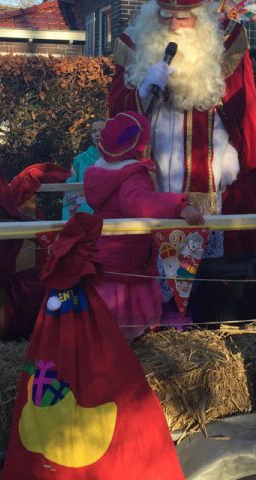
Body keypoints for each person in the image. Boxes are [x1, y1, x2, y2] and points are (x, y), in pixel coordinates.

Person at [108, 0, 256, 255]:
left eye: (184, 16)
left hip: (208, 176)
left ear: (202, 10)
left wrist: (232, 155)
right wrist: (143, 92)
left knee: (206, 265)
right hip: (149, 181)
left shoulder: (227, 42)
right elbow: (115, 120)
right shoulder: (131, 45)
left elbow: (243, 113)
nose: (175, 25)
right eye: (166, 16)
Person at [82, 112, 204, 338]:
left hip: (106, 252)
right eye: (145, 143)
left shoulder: (99, 173)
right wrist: (178, 206)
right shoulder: (132, 175)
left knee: (107, 311)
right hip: (128, 256)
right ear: (137, 147)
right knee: (126, 313)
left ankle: (110, 345)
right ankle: (123, 348)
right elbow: (138, 202)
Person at [61, 118, 107, 220]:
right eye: (94, 131)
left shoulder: (117, 158)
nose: (97, 134)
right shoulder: (80, 160)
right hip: (84, 215)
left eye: (101, 130)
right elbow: (69, 191)